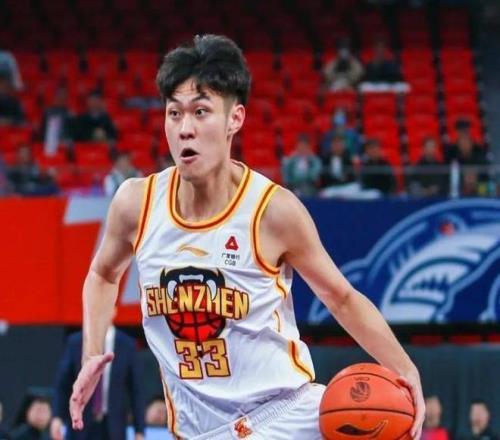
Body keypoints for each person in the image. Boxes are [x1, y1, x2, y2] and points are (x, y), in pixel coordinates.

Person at [68, 34, 424, 439]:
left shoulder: (272, 210)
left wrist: (405, 368)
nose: (185, 129)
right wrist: (92, 352)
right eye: (174, 113)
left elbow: (340, 298)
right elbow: (102, 275)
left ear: (234, 119)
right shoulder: (136, 203)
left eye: (201, 112)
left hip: (282, 417)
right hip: (198, 432)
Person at [51, 322, 145, 440]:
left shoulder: (127, 344)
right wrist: (57, 417)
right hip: (80, 425)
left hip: (114, 427)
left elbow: (136, 390)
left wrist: (139, 430)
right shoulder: (75, 341)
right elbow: (62, 385)